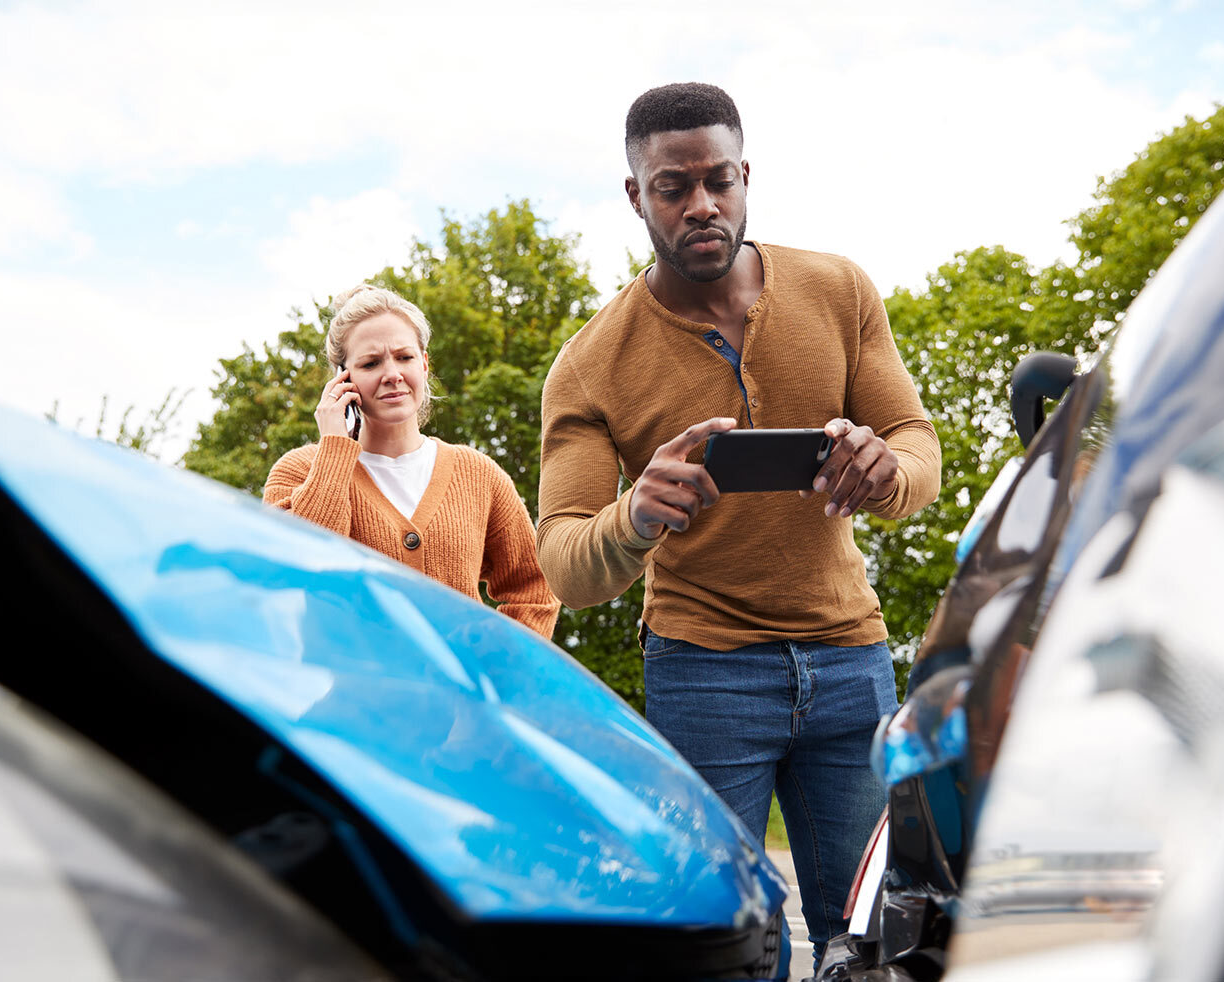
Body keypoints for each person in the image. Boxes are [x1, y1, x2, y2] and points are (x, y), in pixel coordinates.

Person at [535, 83, 939, 963]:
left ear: (746, 175)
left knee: (871, 942)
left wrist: (886, 471)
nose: (701, 204)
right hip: (703, 675)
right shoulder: (589, 365)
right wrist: (636, 515)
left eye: (719, 179)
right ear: (637, 196)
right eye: (673, 187)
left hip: (850, 659)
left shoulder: (839, 289)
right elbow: (565, 562)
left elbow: (916, 445)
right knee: (726, 951)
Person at [265, 284, 560, 639]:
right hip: (349, 692)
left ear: (424, 363)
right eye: (371, 363)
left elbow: (534, 590)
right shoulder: (299, 471)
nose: (392, 374)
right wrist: (333, 448)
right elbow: (303, 571)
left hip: (458, 694)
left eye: (404, 357)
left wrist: (499, 668)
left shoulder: (478, 475)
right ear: (343, 378)